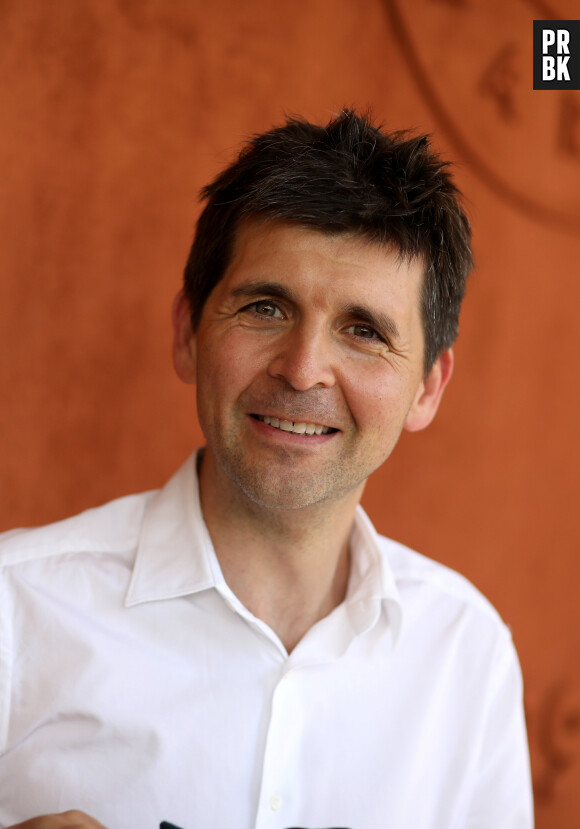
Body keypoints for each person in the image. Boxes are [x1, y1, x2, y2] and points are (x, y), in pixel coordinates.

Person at [0, 110, 533, 829]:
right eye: (265, 306)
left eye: (364, 330)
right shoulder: (15, 608)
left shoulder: (466, 653)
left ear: (428, 388)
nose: (304, 367)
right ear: (187, 332)